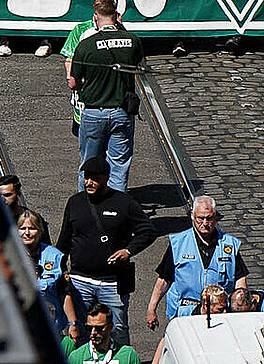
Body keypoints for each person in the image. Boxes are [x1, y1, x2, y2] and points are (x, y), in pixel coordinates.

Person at [55, 153, 156, 347]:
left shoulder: (123, 203)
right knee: (82, 331)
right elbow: (64, 240)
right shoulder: (75, 202)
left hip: (112, 283)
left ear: (106, 178)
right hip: (80, 281)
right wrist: (58, 273)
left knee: (117, 330)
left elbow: (148, 231)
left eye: (94, 178)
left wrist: (128, 251)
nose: (89, 182)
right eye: (86, 177)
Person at [69, 0, 145, 189]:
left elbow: (73, 83)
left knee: (89, 164)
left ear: (95, 17)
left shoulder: (86, 45)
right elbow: (138, 64)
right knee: (119, 166)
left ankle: (87, 206)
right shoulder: (132, 40)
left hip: (94, 112)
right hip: (122, 112)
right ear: (116, 16)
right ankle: (117, 208)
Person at [146, 196, 249, 327]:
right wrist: (151, 309)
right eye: (201, 218)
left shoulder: (229, 245)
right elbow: (164, 280)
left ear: (216, 217)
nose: (205, 223)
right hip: (185, 313)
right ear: (192, 216)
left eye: (209, 218)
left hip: (219, 313)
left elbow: (240, 280)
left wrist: (240, 308)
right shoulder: (178, 243)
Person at [68, 302, 141, 364]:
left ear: (111, 326)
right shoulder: (76, 357)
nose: (93, 332)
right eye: (89, 328)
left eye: (99, 328)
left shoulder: (128, 355)